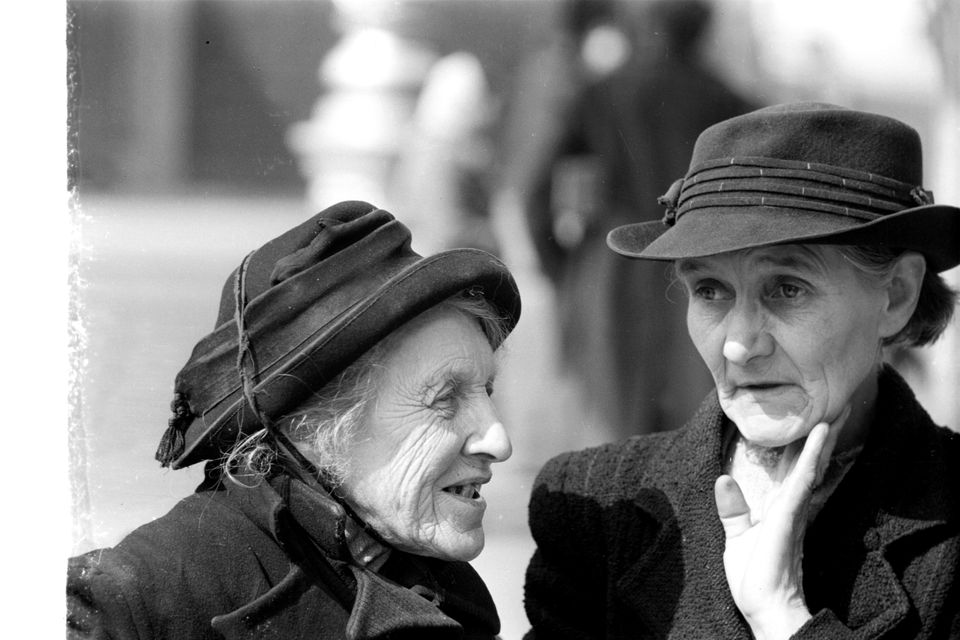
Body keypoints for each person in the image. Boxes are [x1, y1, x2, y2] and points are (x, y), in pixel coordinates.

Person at [523, 103, 960, 638]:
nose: (738, 346)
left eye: (787, 288)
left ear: (896, 295)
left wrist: (782, 615)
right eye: (709, 291)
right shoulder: (597, 509)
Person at [67, 201, 522, 639]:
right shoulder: (132, 605)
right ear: (320, 428)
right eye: (445, 399)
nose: (498, 441)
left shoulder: (440, 592)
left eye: (487, 391)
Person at [501, 0, 755, 440]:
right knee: (696, 424)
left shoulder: (600, 94)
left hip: (614, 268)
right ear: (702, 31)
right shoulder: (729, 102)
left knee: (615, 427)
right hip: (700, 264)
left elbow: (536, 196)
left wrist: (563, 269)